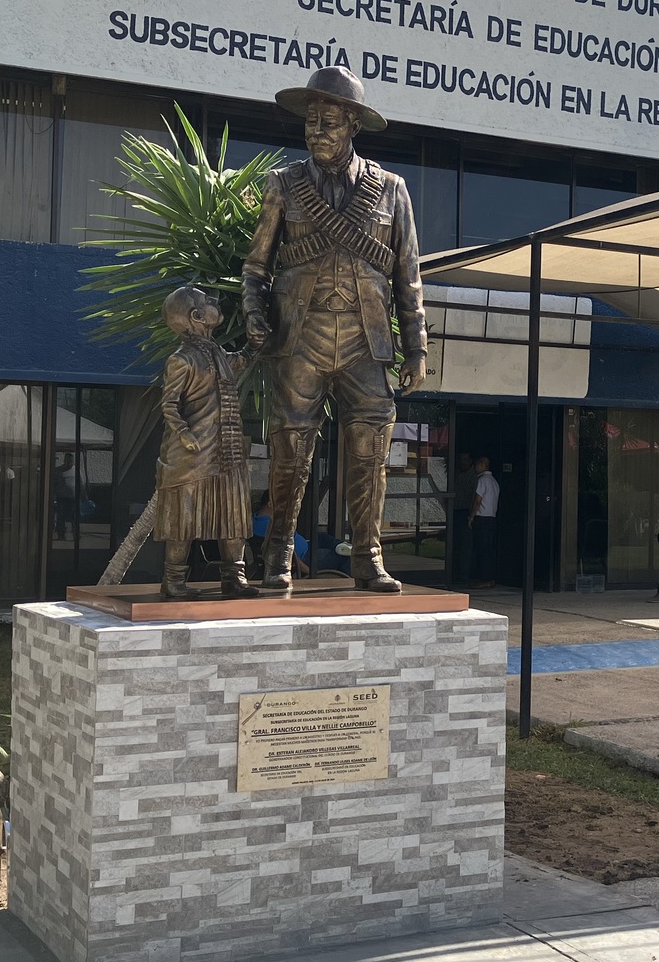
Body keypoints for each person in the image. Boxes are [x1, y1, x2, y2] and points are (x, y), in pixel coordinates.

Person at [242, 65, 428, 595]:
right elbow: (256, 267)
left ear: (353, 125)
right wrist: (254, 314)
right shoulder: (283, 185)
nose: (317, 131)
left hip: (367, 341)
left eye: (328, 122)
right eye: (311, 122)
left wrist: (416, 347)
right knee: (289, 450)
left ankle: (368, 558)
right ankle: (278, 554)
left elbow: (408, 277)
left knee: (370, 452)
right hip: (299, 337)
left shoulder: (390, 191)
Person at [154, 285, 260, 601]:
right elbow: (169, 404)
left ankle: (234, 577)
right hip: (193, 454)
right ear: (197, 316)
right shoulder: (181, 360)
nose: (215, 302)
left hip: (227, 448)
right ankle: (173, 580)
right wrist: (184, 434)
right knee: (183, 518)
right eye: (207, 301)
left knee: (233, 513)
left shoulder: (217, 353)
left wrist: (257, 338)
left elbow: (242, 359)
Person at [468, 454, 499, 588]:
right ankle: (490, 578)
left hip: (482, 518)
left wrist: (471, 517)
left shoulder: (482, 480)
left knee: (481, 550)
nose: (474, 467)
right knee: (489, 549)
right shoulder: (494, 481)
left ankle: (484, 578)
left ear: (482, 465)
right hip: (491, 518)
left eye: (476, 465)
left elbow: (478, 501)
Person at [448, 451, 478, 585]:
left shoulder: (473, 477)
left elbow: (474, 498)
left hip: (465, 512)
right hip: (455, 512)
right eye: (461, 459)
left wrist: (471, 516)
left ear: (471, 461)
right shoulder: (458, 474)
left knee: (465, 545)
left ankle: (464, 575)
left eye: (466, 459)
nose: (463, 462)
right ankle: (454, 573)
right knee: (455, 544)